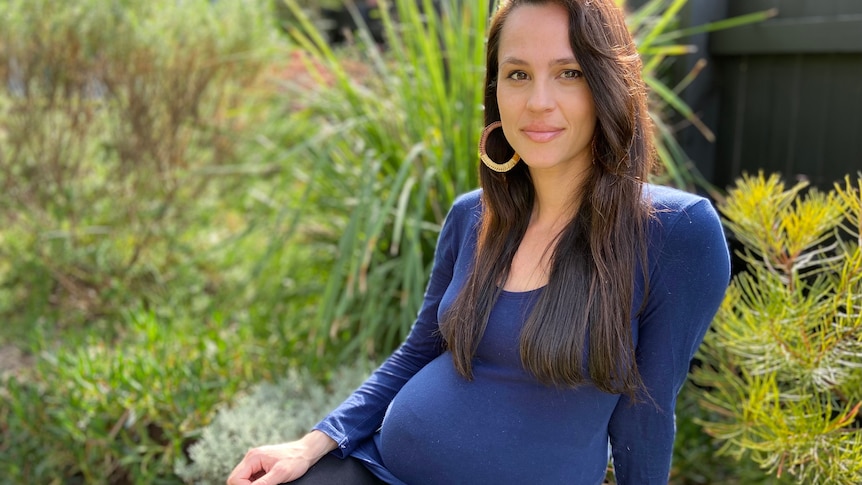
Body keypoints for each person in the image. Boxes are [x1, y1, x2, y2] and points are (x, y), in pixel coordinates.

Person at [227, 0, 730, 483]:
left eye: (569, 73)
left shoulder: (674, 232)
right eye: (517, 74)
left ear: (608, 84)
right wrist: (313, 442)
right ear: (496, 92)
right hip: (377, 467)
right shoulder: (474, 216)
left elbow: (648, 412)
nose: (538, 102)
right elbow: (418, 350)